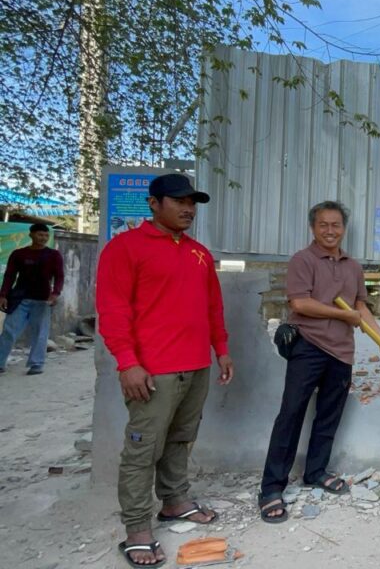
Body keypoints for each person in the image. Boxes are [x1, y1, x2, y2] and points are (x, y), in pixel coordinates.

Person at [97, 173, 234, 569]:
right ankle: (137, 529)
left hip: (197, 365)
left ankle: (174, 501)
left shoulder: (199, 253)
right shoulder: (125, 248)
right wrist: (128, 362)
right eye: (179, 201)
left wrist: (222, 350)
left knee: (181, 438)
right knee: (143, 449)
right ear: (154, 203)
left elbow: (213, 307)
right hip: (152, 371)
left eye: (192, 202)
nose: (188, 209)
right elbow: (113, 310)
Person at [259, 201, 380, 523]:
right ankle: (271, 488)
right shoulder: (303, 260)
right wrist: (342, 315)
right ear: (313, 227)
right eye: (323, 225)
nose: (330, 231)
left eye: (336, 225)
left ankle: (316, 472)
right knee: (291, 414)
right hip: (308, 346)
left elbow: (360, 306)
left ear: (343, 229)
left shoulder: (353, 266)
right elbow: (300, 303)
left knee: (329, 415)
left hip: (341, 351)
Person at [0, 223, 64, 375]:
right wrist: (3, 295)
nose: (43, 238)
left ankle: (36, 364)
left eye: (46, 235)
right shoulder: (18, 254)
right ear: (31, 235)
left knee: (40, 333)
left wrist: (55, 293)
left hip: (43, 300)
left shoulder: (54, 255)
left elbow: (59, 276)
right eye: (40, 234)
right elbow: (9, 276)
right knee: (9, 331)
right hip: (19, 299)